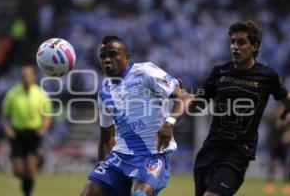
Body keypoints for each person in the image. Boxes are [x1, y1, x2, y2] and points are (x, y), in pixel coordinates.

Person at [80, 35, 191, 196]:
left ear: (127, 57)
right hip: (119, 157)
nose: (107, 60)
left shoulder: (145, 72)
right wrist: (101, 173)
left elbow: (184, 97)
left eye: (112, 54)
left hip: (152, 156)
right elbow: (106, 139)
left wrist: (169, 122)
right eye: (103, 56)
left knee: (139, 194)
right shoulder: (104, 91)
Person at [191, 20, 290, 196]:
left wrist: (284, 117)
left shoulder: (267, 76)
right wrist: (183, 97)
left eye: (241, 42)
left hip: (237, 154)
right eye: (232, 42)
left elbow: (286, 100)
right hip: (210, 149)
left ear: (254, 46)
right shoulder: (219, 72)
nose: (235, 47)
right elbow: (198, 102)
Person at [1, 65, 52, 196]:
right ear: (21, 77)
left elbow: (47, 115)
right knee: (18, 171)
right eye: (24, 75)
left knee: (30, 169)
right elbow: (5, 115)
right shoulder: (12, 94)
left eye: (29, 75)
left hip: (33, 134)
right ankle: (24, 180)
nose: (26, 77)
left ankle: (27, 193)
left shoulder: (41, 94)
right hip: (17, 133)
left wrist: (43, 128)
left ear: (33, 77)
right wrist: (7, 129)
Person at [263, 105, 290, 195]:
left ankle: (287, 185)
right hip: (273, 145)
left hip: (283, 145)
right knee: (272, 165)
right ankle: (270, 184)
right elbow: (278, 126)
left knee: (285, 165)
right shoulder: (272, 119)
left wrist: (287, 134)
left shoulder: (286, 120)